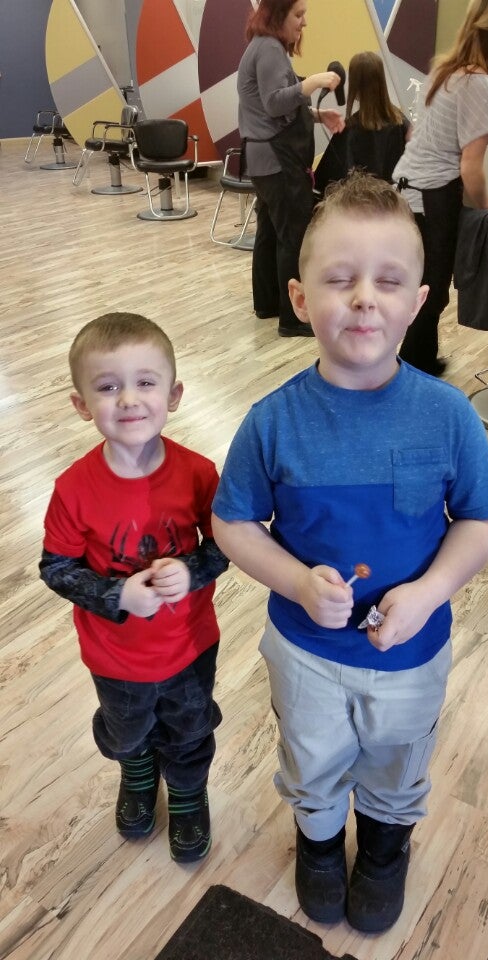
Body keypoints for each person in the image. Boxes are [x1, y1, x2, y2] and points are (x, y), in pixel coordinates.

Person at [211, 172, 488, 933]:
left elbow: (485, 520)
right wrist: (296, 582)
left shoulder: (447, 415)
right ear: (300, 298)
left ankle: (382, 849)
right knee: (310, 757)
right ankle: (318, 846)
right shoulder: (272, 422)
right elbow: (232, 523)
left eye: (389, 281)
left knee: (398, 761)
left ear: (420, 301)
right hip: (304, 651)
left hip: (411, 654)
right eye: (340, 279)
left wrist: (429, 592)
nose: (365, 299)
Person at [40, 312, 229, 863]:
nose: (128, 400)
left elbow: (229, 544)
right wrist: (117, 596)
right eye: (107, 387)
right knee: (126, 731)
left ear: (174, 395)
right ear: (81, 405)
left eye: (145, 382)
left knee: (190, 728)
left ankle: (188, 792)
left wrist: (191, 570)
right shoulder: (73, 488)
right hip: (114, 655)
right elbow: (56, 567)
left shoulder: (198, 473)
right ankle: (139, 772)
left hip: (189, 646)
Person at [392, 0, 488, 377]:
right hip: (433, 195)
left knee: (423, 283)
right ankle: (413, 368)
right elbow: (471, 167)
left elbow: (415, 135)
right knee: (433, 288)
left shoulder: (444, 71)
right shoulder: (480, 85)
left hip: (406, 188)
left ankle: (421, 358)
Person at [237, 0, 345, 337]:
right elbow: (274, 103)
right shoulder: (269, 49)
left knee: (270, 232)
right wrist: (312, 82)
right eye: (298, 15)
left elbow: (274, 106)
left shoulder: (262, 47)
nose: (304, 23)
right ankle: (293, 318)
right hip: (276, 160)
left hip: (263, 158)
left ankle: (268, 303)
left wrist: (318, 115)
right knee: (293, 236)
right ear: (278, 15)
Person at [314, 51, 409, 196]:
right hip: (392, 202)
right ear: (381, 81)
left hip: (359, 205)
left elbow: (325, 183)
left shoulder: (349, 130)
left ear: (355, 85)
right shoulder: (400, 122)